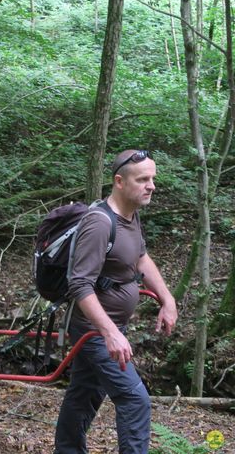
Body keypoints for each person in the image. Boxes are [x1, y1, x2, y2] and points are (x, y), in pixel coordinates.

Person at [54, 150, 178, 453]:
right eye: (143, 180)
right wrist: (110, 333)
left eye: (153, 179)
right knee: (135, 399)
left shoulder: (131, 216)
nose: (151, 186)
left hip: (110, 327)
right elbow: (80, 284)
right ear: (119, 181)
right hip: (93, 330)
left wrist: (167, 298)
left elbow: (141, 258)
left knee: (83, 397)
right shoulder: (99, 223)